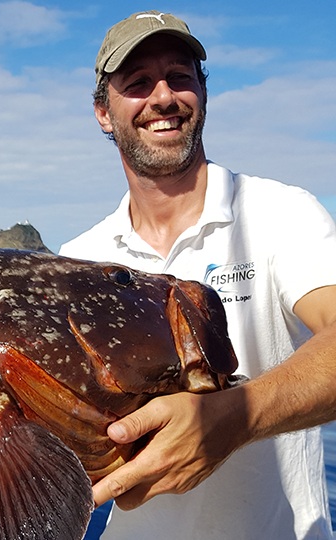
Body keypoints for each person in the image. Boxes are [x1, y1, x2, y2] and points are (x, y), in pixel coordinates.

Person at [59, 10, 336, 540]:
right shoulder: (78, 259)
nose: (163, 97)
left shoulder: (283, 213)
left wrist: (234, 417)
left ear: (203, 94)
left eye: (179, 77)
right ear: (103, 113)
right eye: (138, 83)